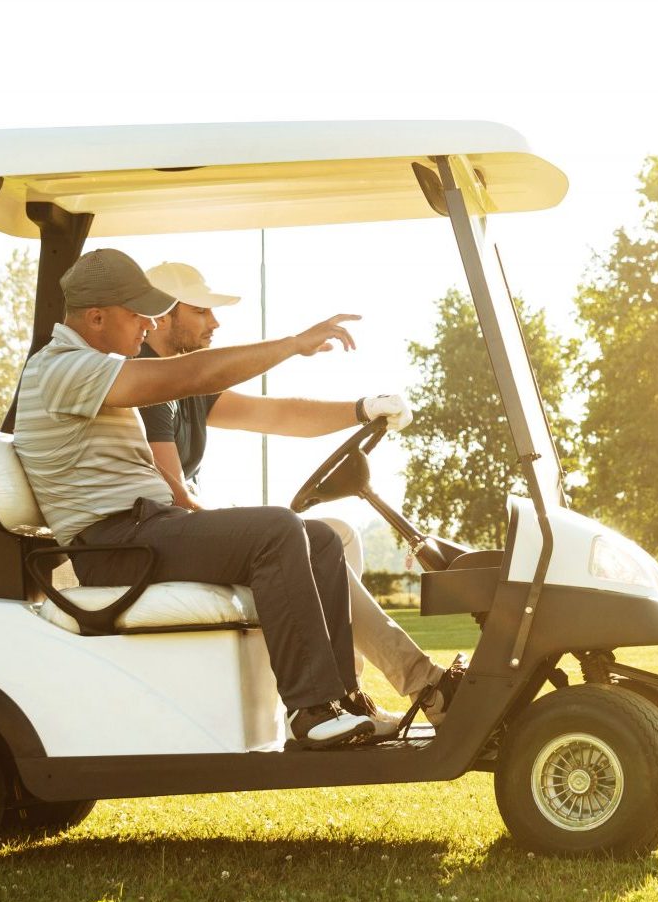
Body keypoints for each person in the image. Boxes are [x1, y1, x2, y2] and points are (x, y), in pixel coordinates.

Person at [12, 246, 374, 750]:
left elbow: (259, 408)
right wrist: (292, 344)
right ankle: (311, 711)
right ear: (95, 317)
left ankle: (344, 703)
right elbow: (191, 375)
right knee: (277, 530)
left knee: (319, 538)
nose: (147, 323)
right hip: (114, 546)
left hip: (141, 529)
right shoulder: (64, 369)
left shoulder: (90, 365)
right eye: (137, 313)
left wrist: (360, 409)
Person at [136, 260, 452, 735]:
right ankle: (426, 685)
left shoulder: (187, 384)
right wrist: (241, 525)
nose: (215, 323)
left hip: (180, 530)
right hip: (159, 537)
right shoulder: (150, 380)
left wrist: (360, 409)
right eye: (201, 311)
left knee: (337, 536)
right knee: (293, 533)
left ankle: (349, 697)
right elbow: (172, 491)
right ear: (163, 314)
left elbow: (280, 414)